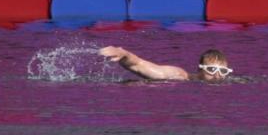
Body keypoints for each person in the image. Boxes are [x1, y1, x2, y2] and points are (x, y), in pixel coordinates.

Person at [98, 46, 233, 82]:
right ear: (200, 69)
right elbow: (140, 65)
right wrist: (125, 54)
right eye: (211, 69)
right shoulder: (180, 75)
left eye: (223, 71)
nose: (217, 75)